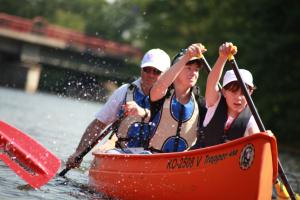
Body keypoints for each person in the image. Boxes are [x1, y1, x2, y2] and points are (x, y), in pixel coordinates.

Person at [66, 48, 171, 168]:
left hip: (156, 156)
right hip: (123, 153)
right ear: (141, 69)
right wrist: (79, 152)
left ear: (166, 74)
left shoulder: (172, 98)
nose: (150, 75)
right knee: (104, 149)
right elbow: (98, 124)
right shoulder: (125, 91)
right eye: (146, 70)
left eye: (157, 71)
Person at [191, 42, 260, 149]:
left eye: (243, 93)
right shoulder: (214, 103)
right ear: (223, 92)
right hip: (202, 160)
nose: (238, 98)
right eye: (233, 92)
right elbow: (212, 82)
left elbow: (258, 147)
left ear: (250, 93)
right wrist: (222, 57)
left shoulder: (251, 121)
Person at [147, 43, 207, 153]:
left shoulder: (200, 103)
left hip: (185, 163)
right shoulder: (161, 94)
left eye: (196, 69)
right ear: (176, 70)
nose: (193, 73)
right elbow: (161, 84)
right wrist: (187, 57)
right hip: (154, 157)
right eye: (188, 68)